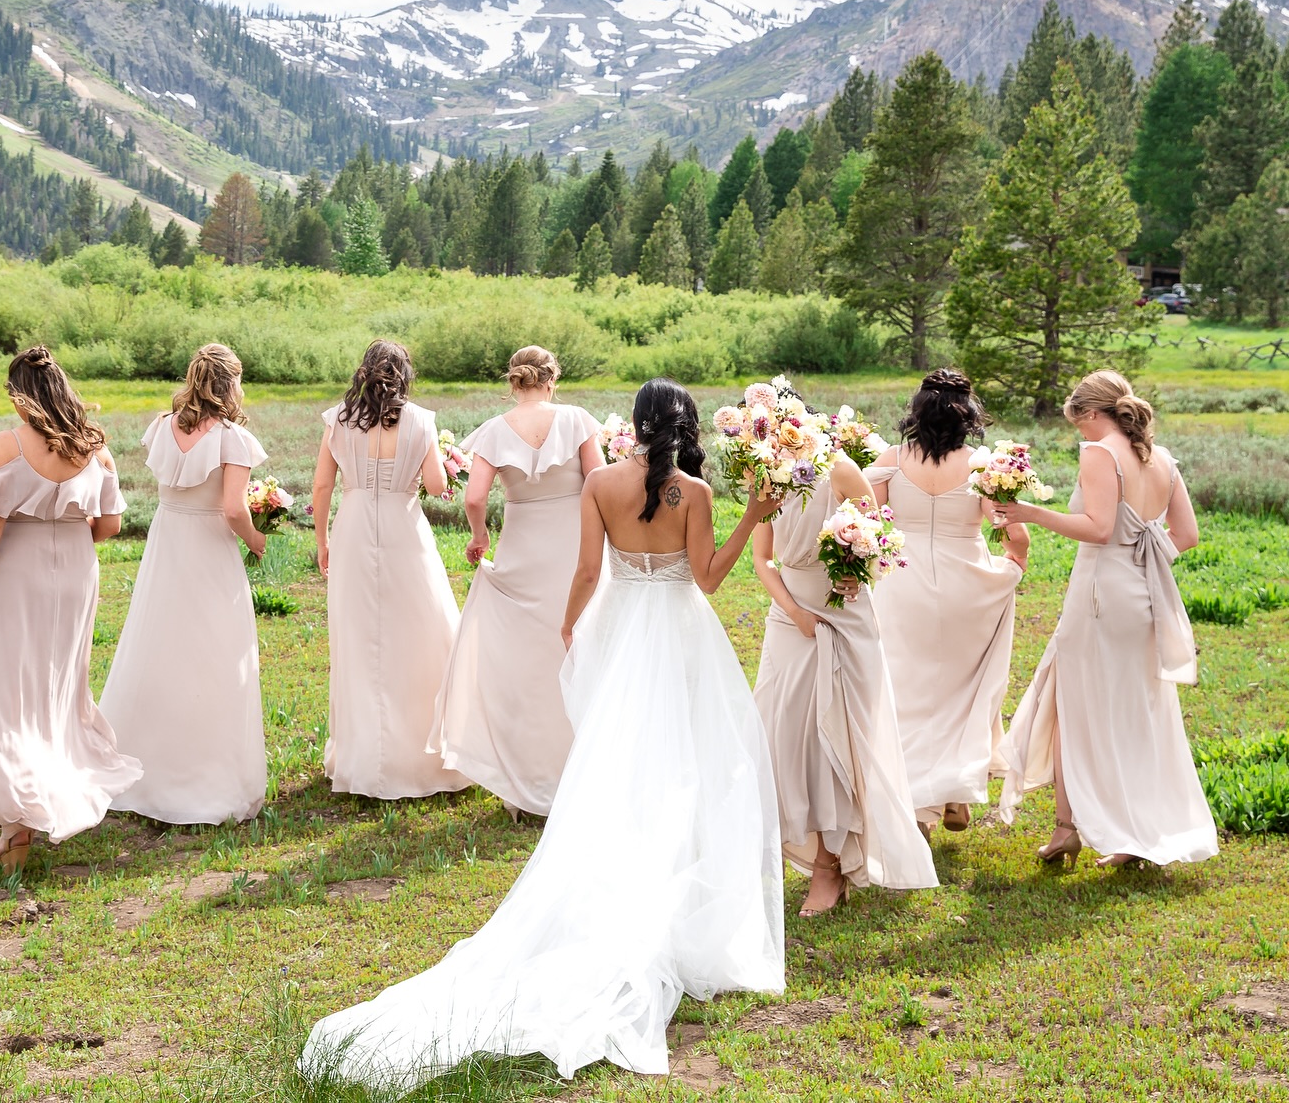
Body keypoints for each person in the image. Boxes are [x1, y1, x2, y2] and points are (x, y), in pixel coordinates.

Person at [300, 377, 784, 1093]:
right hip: (680, 634)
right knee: (695, 766)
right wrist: (753, 518)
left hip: (622, 629)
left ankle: (636, 889)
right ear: (684, 429)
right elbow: (708, 580)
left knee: (618, 764)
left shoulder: (600, 486)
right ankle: (681, 908)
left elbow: (588, 571)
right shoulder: (695, 494)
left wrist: (569, 625)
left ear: (637, 426)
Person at [996, 371, 1217, 869]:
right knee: (1135, 712)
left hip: (1100, 597)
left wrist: (1030, 512)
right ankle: (1132, 834)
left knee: (1079, 707)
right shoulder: (1160, 458)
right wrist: (1144, 552)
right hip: (1144, 594)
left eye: (1079, 422)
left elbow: (1097, 529)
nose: (1080, 434)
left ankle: (1070, 829)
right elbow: (1186, 535)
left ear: (1090, 413)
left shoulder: (1100, 453)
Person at [0, 346, 142, 872]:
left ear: (21, 396)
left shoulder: (7, 446)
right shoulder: (95, 450)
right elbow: (109, 526)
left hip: (14, 573)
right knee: (55, 691)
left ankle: (17, 827)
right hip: (76, 575)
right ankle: (36, 807)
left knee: (2, 695)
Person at [751, 436, 937, 914]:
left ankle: (829, 866)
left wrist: (857, 570)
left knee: (838, 737)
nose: (773, 440)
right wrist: (794, 612)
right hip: (790, 619)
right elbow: (762, 560)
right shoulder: (761, 474)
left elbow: (876, 538)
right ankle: (797, 843)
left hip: (844, 615)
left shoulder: (839, 470)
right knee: (787, 734)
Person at [99, 344, 269, 826]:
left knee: (158, 650)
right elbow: (234, 510)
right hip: (209, 550)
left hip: (167, 544)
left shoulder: (163, 425)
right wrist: (257, 540)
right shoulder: (232, 439)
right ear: (231, 384)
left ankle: (145, 770)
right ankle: (205, 781)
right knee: (214, 655)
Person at [430, 346, 604, 815]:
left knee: (527, 665)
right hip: (575, 547)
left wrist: (480, 535)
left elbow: (473, 497)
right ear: (552, 379)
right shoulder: (577, 419)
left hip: (522, 549)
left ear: (514, 383)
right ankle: (580, 773)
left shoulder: (493, 430)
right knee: (579, 651)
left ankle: (528, 780)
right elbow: (600, 482)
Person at [868, 370, 1027, 837]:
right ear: (969, 415)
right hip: (967, 584)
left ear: (918, 410)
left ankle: (918, 807)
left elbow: (866, 523)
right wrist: (1013, 565)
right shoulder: (984, 465)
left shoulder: (892, 460)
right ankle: (956, 791)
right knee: (960, 689)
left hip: (902, 585)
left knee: (908, 693)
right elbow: (1013, 531)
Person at [313, 340, 468, 799]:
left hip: (354, 527)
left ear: (364, 371)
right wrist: (446, 465)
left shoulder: (338, 419)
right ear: (404, 374)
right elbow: (438, 484)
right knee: (422, 632)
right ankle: (423, 752)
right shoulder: (421, 420)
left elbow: (323, 484)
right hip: (404, 528)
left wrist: (321, 539)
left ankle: (362, 756)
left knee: (358, 639)